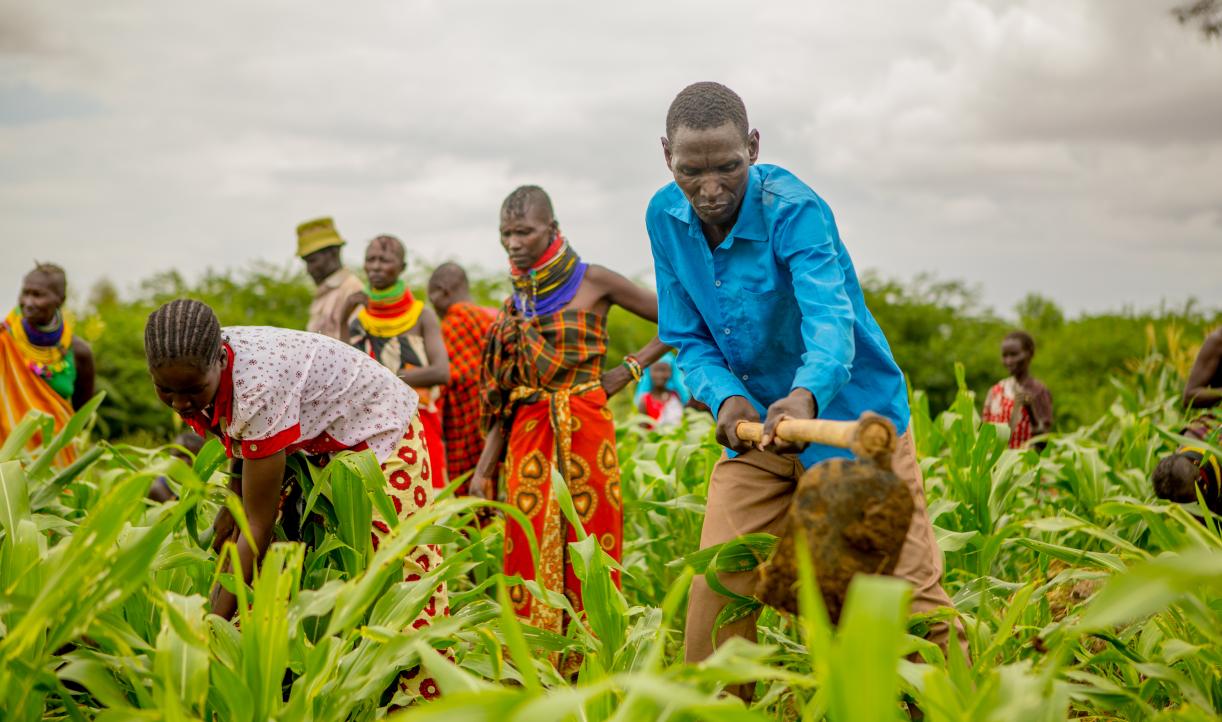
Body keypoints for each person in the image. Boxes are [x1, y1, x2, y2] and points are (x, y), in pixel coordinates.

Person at [645, 82, 960, 684]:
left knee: (910, 608)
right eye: (692, 171)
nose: (710, 189)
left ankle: (957, 703)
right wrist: (724, 394)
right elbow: (686, 334)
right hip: (757, 430)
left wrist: (805, 393)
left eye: (728, 168)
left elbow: (830, 320)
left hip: (849, 423)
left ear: (754, 148)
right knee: (718, 588)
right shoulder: (665, 215)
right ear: (667, 156)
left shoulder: (794, 209)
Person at [143, 299, 446, 703]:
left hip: (379, 431)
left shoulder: (257, 385)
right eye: (166, 390)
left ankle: (423, 693)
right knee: (281, 562)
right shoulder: (195, 358)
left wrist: (208, 625)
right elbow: (239, 444)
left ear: (219, 358)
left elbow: (256, 525)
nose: (181, 404)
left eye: (193, 391)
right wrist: (228, 507)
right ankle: (281, 678)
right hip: (314, 440)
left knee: (396, 565)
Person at [471, 185, 668, 635]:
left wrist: (629, 370)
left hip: (586, 426)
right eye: (506, 234)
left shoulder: (595, 280)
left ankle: (596, 653)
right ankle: (534, 662)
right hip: (527, 435)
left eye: (524, 232)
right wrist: (485, 469)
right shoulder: (515, 303)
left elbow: (680, 320)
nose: (513, 243)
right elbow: (507, 396)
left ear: (553, 229)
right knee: (525, 539)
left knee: (591, 541)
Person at [348, 235, 450, 489]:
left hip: (420, 423)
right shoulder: (359, 321)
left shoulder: (421, 316)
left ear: (402, 267)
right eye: (370, 260)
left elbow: (441, 372)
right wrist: (341, 318)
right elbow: (347, 376)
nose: (376, 267)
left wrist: (381, 379)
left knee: (429, 503)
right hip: (373, 429)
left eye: (385, 260)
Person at [0, 263, 95, 465]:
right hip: (6, 464)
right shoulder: (4, 343)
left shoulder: (79, 353)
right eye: (25, 293)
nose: (28, 302)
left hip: (54, 463)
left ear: (60, 300)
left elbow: (80, 417)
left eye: (38, 295)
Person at [427, 262, 498, 486]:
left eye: (432, 298)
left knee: (470, 492)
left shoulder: (453, 324)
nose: (434, 306)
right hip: (497, 420)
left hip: (467, 425)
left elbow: (450, 378)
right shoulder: (492, 317)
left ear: (444, 291)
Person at [980, 331, 1053, 449]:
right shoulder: (995, 391)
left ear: (1029, 354)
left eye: (1014, 355)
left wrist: (1031, 411)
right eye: (1005, 356)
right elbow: (982, 436)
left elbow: (1043, 443)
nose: (1008, 361)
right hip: (995, 465)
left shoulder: (1039, 391)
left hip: (1024, 464)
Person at [297, 217, 365, 340]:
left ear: (333, 253)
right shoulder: (324, 293)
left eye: (312, 261)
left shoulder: (352, 291)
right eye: (306, 262)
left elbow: (356, 347)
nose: (309, 269)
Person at [148, 429, 206, 503]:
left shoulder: (206, 484)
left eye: (190, 457)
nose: (185, 462)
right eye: (179, 455)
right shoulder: (158, 488)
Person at [637, 356, 684, 430]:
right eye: (656, 370)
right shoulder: (645, 401)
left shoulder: (676, 396)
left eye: (664, 370)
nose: (660, 375)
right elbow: (641, 433)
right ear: (649, 372)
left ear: (671, 372)